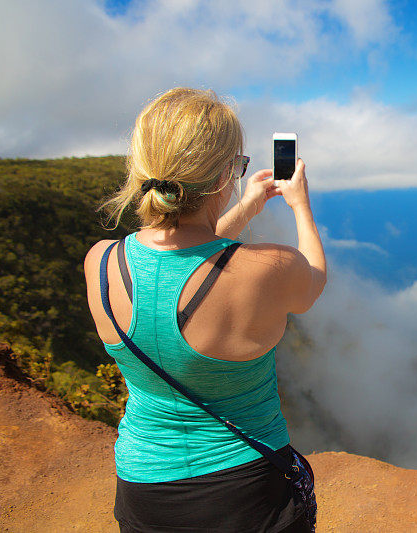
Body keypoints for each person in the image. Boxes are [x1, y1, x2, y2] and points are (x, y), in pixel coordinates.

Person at [83, 87, 326, 532]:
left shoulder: (101, 261)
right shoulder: (268, 268)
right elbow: (311, 283)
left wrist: (245, 208)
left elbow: (185, 261)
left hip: (143, 491)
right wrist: (299, 205)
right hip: (247, 489)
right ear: (222, 178)